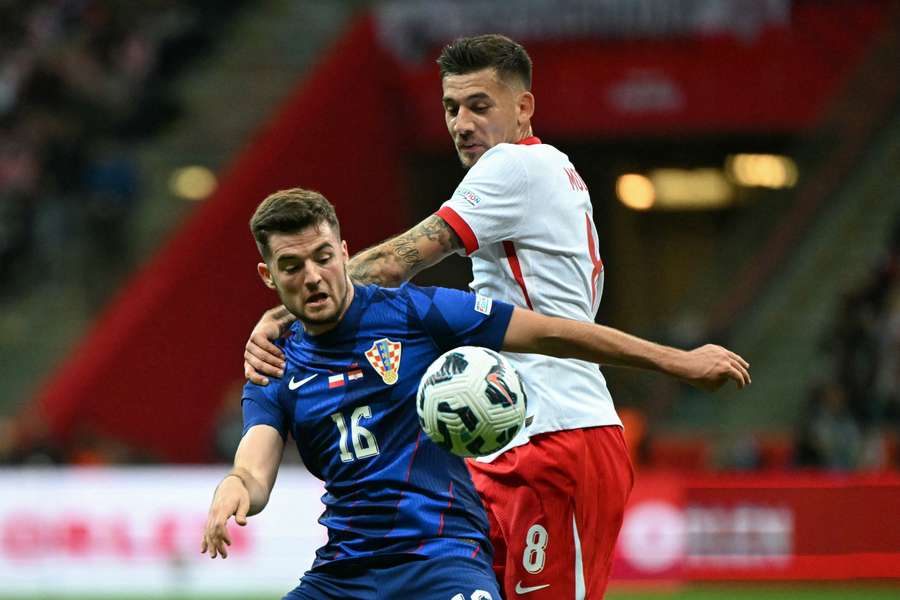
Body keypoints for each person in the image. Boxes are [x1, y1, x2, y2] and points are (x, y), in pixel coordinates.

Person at [242, 36, 750, 599]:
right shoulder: (551, 173)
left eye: (479, 106)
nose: (461, 124)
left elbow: (392, 263)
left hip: (558, 436)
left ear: (523, 108)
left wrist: (285, 315)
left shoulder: (513, 165)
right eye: (451, 108)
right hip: (503, 437)